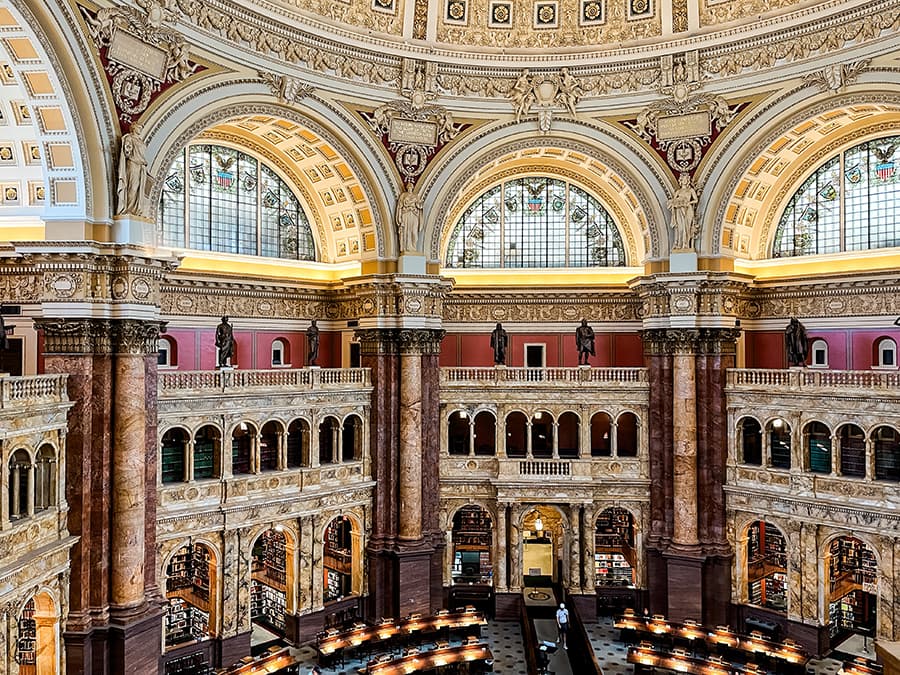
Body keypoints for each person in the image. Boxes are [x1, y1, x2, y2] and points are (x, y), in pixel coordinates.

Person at [116, 124, 149, 217]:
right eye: (139, 127)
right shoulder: (129, 138)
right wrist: (127, 150)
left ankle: (136, 210)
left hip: (141, 165)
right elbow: (127, 151)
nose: (140, 129)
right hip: (133, 163)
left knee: (139, 189)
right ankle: (129, 209)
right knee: (132, 187)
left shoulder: (140, 141)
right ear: (134, 128)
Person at [668, 172, 699, 250]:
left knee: (687, 227)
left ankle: (686, 244)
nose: (684, 181)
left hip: (688, 210)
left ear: (688, 180)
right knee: (680, 228)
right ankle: (679, 244)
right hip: (679, 210)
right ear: (680, 180)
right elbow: (673, 201)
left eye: (686, 179)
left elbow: (696, 200)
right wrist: (674, 204)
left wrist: (689, 202)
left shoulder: (691, 190)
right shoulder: (678, 192)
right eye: (683, 179)